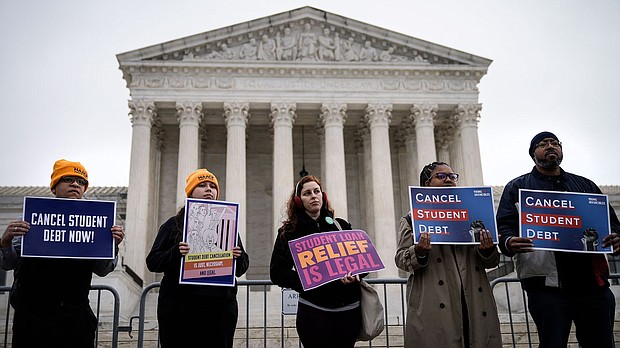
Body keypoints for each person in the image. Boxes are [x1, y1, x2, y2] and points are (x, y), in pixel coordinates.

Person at [496, 131, 620, 348]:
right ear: (533, 153)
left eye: (555, 143)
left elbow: (612, 223)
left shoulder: (585, 186)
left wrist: (617, 238)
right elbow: (503, 226)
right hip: (547, 288)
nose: (550, 146)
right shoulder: (517, 188)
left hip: (592, 286)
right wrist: (508, 242)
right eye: (543, 144)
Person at [0, 159, 125, 348]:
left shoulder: (96, 221)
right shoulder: (29, 217)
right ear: (54, 187)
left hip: (76, 320)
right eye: (68, 179)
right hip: (33, 319)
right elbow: (8, 263)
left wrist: (112, 246)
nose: (75, 184)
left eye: (81, 181)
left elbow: (103, 270)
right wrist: (5, 242)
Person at [395, 162, 502, 348]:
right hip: (434, 299)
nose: (449, 181)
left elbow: (490, 261)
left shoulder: (473, 214)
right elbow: (401, 259)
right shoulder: (412, 219)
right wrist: (418, 252)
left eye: (452, 177)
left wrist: (487, 249)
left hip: (472, 298)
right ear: (426, 184)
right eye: (441, 176)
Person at [146, 168, 249, 348]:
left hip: (219, 309)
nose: (209, 189)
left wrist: (238, 256)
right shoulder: (173, 224)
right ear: (191, 192)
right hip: (180, 309)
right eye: (202, 185)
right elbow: (153, 261)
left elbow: (241, 268)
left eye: (212, 186)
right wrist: (176, 253)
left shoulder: (227, 225)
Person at [270, 175, 362, 347]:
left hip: (348, 310)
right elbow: (277, 272)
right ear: (298, 201)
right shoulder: (289, 233)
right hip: (313, 310)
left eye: (316, 191)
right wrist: (308, 281)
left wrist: (356, 275)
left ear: (323, 196)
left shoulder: (341, 226)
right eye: (307, 193)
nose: (313, 196)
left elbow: (362, 262)